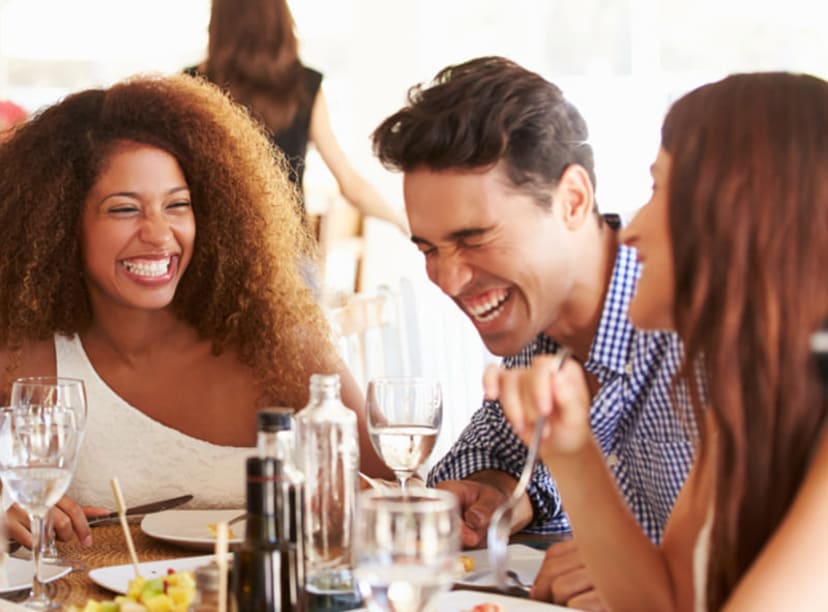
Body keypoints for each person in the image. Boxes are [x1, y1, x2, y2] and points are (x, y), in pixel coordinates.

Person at [0, 74, 393, 550]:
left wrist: (344, 501)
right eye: (124, 209)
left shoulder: (279, 344)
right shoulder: (26, 355)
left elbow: (396, 492)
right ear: (61, 222)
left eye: (178, 205)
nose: (159, 234)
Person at [488, 72, 828, 609]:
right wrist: (571, 451)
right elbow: (663, 602)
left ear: (737, 215)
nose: (635, 227)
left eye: (659, 189)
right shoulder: (743, 396)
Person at [372, 56, 693, 606]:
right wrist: (497, 490)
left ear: (572, 201)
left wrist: (650, 572)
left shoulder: (696, 328)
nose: (447, 279)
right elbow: (492, 450)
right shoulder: (535, 326)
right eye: (429, 248)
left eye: (473, 238)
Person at [187, 0, 408, 235]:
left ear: (218, 23)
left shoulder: (190, 85)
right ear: (280, 24)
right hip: (288, 252)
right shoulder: (305, 86)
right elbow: (350, 185)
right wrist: (400, 220)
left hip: (213, 249)